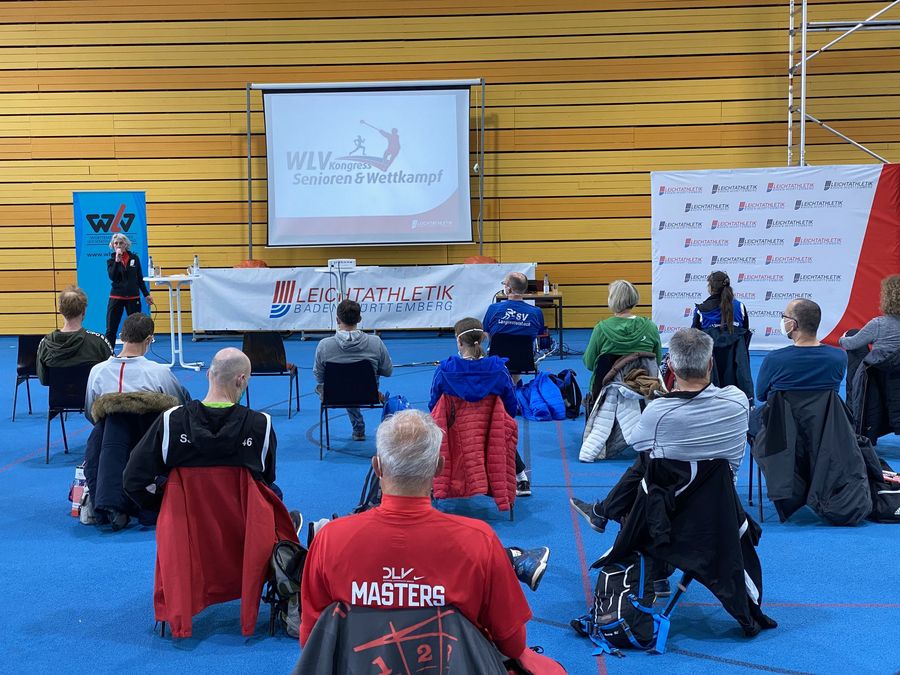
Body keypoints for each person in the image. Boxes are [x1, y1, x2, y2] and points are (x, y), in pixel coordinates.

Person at [299, 409, 553, 665]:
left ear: (377, 467)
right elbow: (513, 644)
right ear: (439, 467)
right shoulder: (479, 541)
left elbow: (312, 641)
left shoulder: (329, 539)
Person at [571, 328, 750, 533]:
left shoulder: (659, 410)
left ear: (671, 367)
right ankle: (605, 513)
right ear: (710, 364)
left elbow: (637, 442)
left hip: (672, 502)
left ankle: (608, 516)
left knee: (649, 458)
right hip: (722, 502)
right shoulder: (738, 399)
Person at [123, 348, 279, 513]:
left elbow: (133, 479)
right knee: (274, 492)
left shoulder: (170, 421)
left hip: (184, 519)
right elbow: (266, 478)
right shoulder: (261, 424)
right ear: (241, 380)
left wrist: (165, 506)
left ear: (208, 374)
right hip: (241, 519)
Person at [428, 317, 531, 496]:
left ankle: (434, 483)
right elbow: (511, 406)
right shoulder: (499, 370)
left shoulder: (445, 371)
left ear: (459, 341)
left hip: (454, 432)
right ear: (482, 338)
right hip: (491, 431)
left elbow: (434, 406)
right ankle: (521, 478)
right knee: (500, 431)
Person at [85, 313, 189, 423]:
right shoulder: (160, 372)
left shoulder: (97, 371)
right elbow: (178, 408)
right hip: (151, 432)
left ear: (121, 336)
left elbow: (90, 412)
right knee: (183, 393)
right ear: (149, 339)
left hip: (108, 432)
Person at [313, 299, 393, 441]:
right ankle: (362, 430)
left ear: (337, 320)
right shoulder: (376, 342)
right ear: (359, 319)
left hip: (335, 395)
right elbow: (388, 371)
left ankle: (358, 428)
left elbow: (319, 377)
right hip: (369, 394)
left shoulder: (324, 345)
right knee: (353, 384)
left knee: (344, 385)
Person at [755, 298, 846, 403]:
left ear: (793, 324)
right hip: (825, 413)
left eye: (784, 317)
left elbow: (761, 396)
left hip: (782, 413)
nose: (782, 320)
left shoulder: (774, 359)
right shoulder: (839, 357)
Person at [583, 279, 662, 392]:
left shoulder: (601, 329)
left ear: (612, 299)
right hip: (643, 391)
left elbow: (590, 363)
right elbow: (656, 362)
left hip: (608, 392)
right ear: (634, 297)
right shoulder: (650, 327)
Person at [36, 285, 112, 385]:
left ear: (60, 310)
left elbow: (44, 380)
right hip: (92, 395)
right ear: (84, 311)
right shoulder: (99, 343)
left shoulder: (45, 344)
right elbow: (111, 375)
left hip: (59, 395)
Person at [105, 232, 154, 348]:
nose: (118, 245)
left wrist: (146, 294)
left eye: (121, 243)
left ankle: (134, 352)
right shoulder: (111, 261)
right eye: (116, 243)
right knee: (111, 328)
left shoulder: (134, 258)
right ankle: (109, 354)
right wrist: (117, 261)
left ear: (126, 245)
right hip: (116, 297)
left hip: (133, 297)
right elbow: (112, 276)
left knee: (136, 328)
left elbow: (139, 279)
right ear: (112, 245)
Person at [839, 274, 900, 354]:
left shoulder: (879, 324)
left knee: (851, 333)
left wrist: (842, 339)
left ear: (887, 298)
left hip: (880, 362)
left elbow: (851, 344)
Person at [483, 271, 545, 343]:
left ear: (508, 289)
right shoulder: (536, 312)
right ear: (525, 288)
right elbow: (539, 334)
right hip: (524, 350)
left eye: (504, 284)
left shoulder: (493, 308)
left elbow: (485, 332)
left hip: (497, 349)